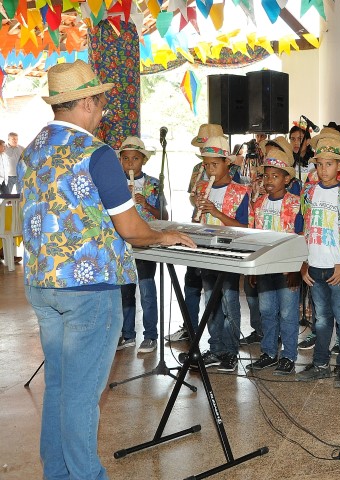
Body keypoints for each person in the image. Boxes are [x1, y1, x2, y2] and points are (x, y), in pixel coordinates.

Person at [17, 60, 193, 480]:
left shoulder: (34, 148)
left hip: (43, 282)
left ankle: (56, 474)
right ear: (85, 103)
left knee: (59, 387)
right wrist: (163, 236)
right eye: (100, 104)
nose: (103, 113)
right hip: (88, 288)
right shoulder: (97, 154)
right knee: (81, 396)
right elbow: (131, 229)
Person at [297, 129, 340, 387]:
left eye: (329, 164)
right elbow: (304, 229)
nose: (324, 169)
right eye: (319, 164)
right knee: (320, 319)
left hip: (336, 265)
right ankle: (320, 363)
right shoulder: (308, 193)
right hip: (314, 264)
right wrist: (303, 263)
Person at [193, 135, 251, 373]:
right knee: (211, 302)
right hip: (206, 251)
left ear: (228, 163)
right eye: (206, 164)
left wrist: (216, 212)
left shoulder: (240, 191)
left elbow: (244, 227)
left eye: (214, 164)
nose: (209, 169)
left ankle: (231, 351)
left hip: (228, 252)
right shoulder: (202, 188)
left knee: (229, 302)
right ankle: (215, 347)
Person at [248, 141, 303, 375]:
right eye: (266, 176)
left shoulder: (296, 203)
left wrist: (297, 268)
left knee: (288, 313)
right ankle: (269, 352)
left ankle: (289, 355)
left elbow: (301, 236)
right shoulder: (258, 203)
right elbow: (252, 235)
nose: (269, 181)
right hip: (264, 268)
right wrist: (252, 267)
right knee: (267, 311)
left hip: (287, 269)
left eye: (275, 176)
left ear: (287, 180)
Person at [167, 123, 225, 343]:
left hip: (218, 232)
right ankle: (189, 326)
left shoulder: (232, 169)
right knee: (191, 282)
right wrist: (198, 201)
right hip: (199, 225)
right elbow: (192, 194)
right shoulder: (197, 169)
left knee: (216, 290)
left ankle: (220, 339)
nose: (203, 151)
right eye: (202, 146)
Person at [116, 136, 165, 353]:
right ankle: (127, 335)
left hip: (145, 243)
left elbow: (164, 215)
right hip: (123, 244)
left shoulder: (153, 184)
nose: (130, 163)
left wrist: (146, 204)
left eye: (135, 158)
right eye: (125, 158)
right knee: (125, 291)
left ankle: (151, 335)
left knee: (147, 290)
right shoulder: (115, 184)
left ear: (143, 161)